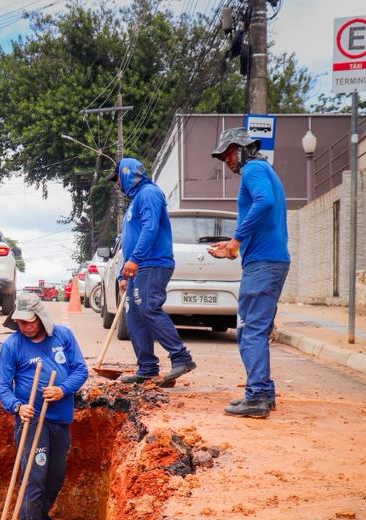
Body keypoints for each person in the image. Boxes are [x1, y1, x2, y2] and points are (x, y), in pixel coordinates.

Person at [0, 292, 89, 520]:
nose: (25, 326)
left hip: (60, 417)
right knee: (34, 476)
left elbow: (80, 370)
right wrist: (17, 406)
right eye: (20, 322)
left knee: (54, 477)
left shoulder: (63, 336)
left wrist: (62, 389)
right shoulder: (12, 345)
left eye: (30, 321)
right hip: (32, 419)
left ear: (41, 318)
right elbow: (2, 386)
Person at [209, 127, 291, 419]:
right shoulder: (266, 171)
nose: (227, 160)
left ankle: (256, 397)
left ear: (243, 148)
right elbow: (264, 210)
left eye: (229, 153)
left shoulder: (254, 169)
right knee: (256, 328)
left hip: (264, 264)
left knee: (249, 330)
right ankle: (264, 392)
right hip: (270, 260)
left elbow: (263, 202)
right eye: (223, 157)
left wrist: (237, 240)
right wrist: (234, 244)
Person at [113, 157, 197, 387]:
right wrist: (122, 273)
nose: (117, 184)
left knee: (149, 308)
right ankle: (147, 368)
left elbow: (150, 228)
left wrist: (136, 259)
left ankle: (181, 357)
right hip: (138, 266)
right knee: (134, 317)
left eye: (118, 178)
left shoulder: (149, 193)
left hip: (153, 263)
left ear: (127, 174)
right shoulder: (135, 201)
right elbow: (129, 240)